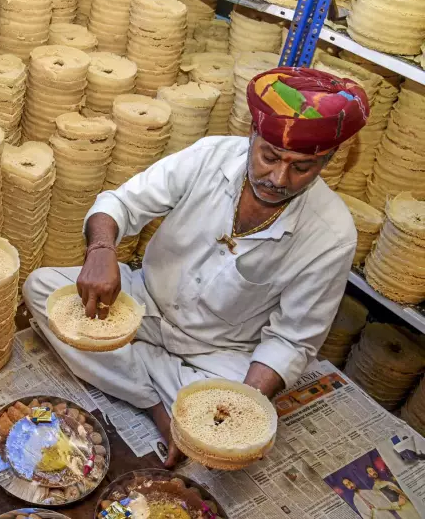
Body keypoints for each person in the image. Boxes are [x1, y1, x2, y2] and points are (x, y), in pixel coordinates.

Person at [23, 67, 369, 468]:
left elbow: (292, 340)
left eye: (301, 167)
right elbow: (122, 203)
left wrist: (237, 407)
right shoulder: (210, 156)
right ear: (252, 134)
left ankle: (137, 371)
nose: (278, 178)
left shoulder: (332, 234)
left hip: (219, 352)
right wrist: (101, 249)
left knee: (227, 440)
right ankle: (155, 403)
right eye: (269, 157)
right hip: (140, 305)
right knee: (42, 287)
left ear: (327, 161)